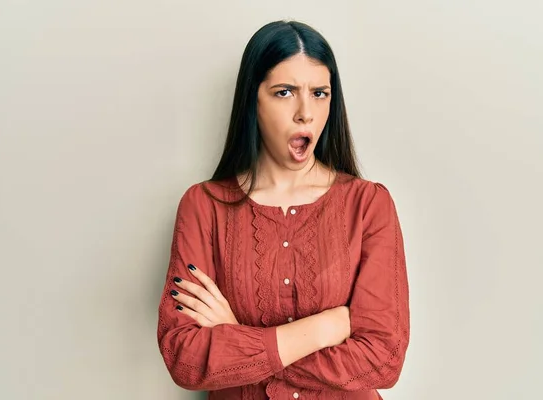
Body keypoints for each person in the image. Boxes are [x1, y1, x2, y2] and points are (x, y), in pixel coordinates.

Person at [157, 20, 410, 400]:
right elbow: (185, 358)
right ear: (252, 100)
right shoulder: (203, 206)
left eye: (320, 93)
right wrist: (326, 328)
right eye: (285, 92)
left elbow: (383, 360)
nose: (305, 112)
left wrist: (239, 340)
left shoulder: (368, 205)